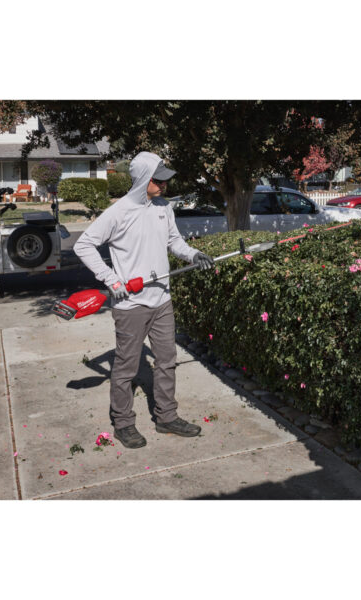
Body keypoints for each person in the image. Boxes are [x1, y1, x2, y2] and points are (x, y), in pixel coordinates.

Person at [73, 151, 214, 449]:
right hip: (131, 305)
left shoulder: (164, 207)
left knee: (167, 362)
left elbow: (174, 241)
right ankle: (123, 423)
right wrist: (111, 279)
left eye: (165, 180)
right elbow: (83, 245)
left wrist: (194, 254)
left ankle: (166, 417)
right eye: (158, 180)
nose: (164, 185)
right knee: (126, 369)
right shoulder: (119, 212)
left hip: (162, 298)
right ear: (141, 180)